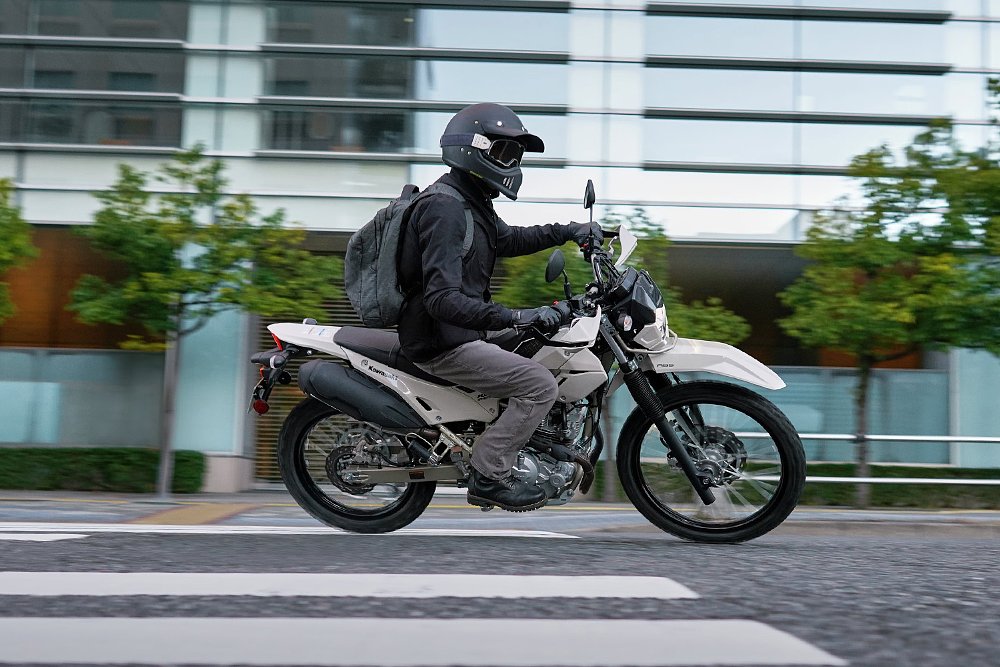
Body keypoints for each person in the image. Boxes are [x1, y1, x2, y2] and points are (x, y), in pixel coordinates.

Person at [397, 103, 602, 512]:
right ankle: (490, 474)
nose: (514, 164)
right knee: (539, 384)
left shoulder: (469, 200)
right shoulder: (445, 207)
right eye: (506, 153)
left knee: (540, 345)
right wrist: (516, 316)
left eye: (517, 155)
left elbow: (507, 240)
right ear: (473, 149)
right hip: (443, 340)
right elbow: (441, 299)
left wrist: (569, 231)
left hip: (461, 329)